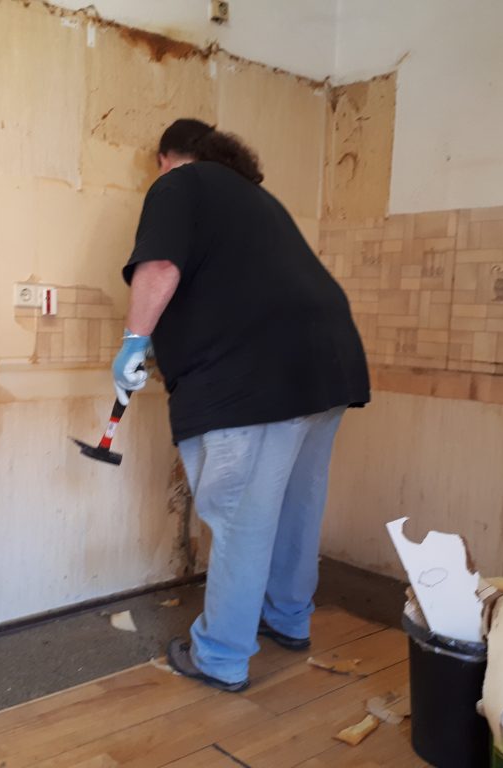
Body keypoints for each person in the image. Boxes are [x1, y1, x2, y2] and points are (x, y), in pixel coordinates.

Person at [114, 118, 370, 692]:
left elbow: (161, 266)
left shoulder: (178, 184)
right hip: (328, 364)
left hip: (255, 376)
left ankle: (221, 656)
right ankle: (288, 618)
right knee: (297, 505)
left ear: (166, 158)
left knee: (240, 516)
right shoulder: (256, 199)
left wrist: (134, 341)